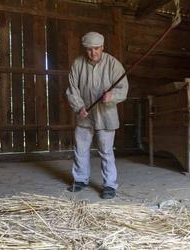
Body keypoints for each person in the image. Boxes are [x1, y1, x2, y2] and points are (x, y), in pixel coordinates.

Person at [66, 31, 128, 199]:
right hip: (84, 114)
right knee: (80, 148)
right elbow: (72, 89)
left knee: (106, 151)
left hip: (106, 115)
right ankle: (80, 180)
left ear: (102, 47)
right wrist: (79, 107)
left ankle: (109, 185)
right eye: (88, 49)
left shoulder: (113, 64)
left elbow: (123, 89)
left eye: (96, 48)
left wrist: (112, 96)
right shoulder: (78, 64)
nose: (93, 53)